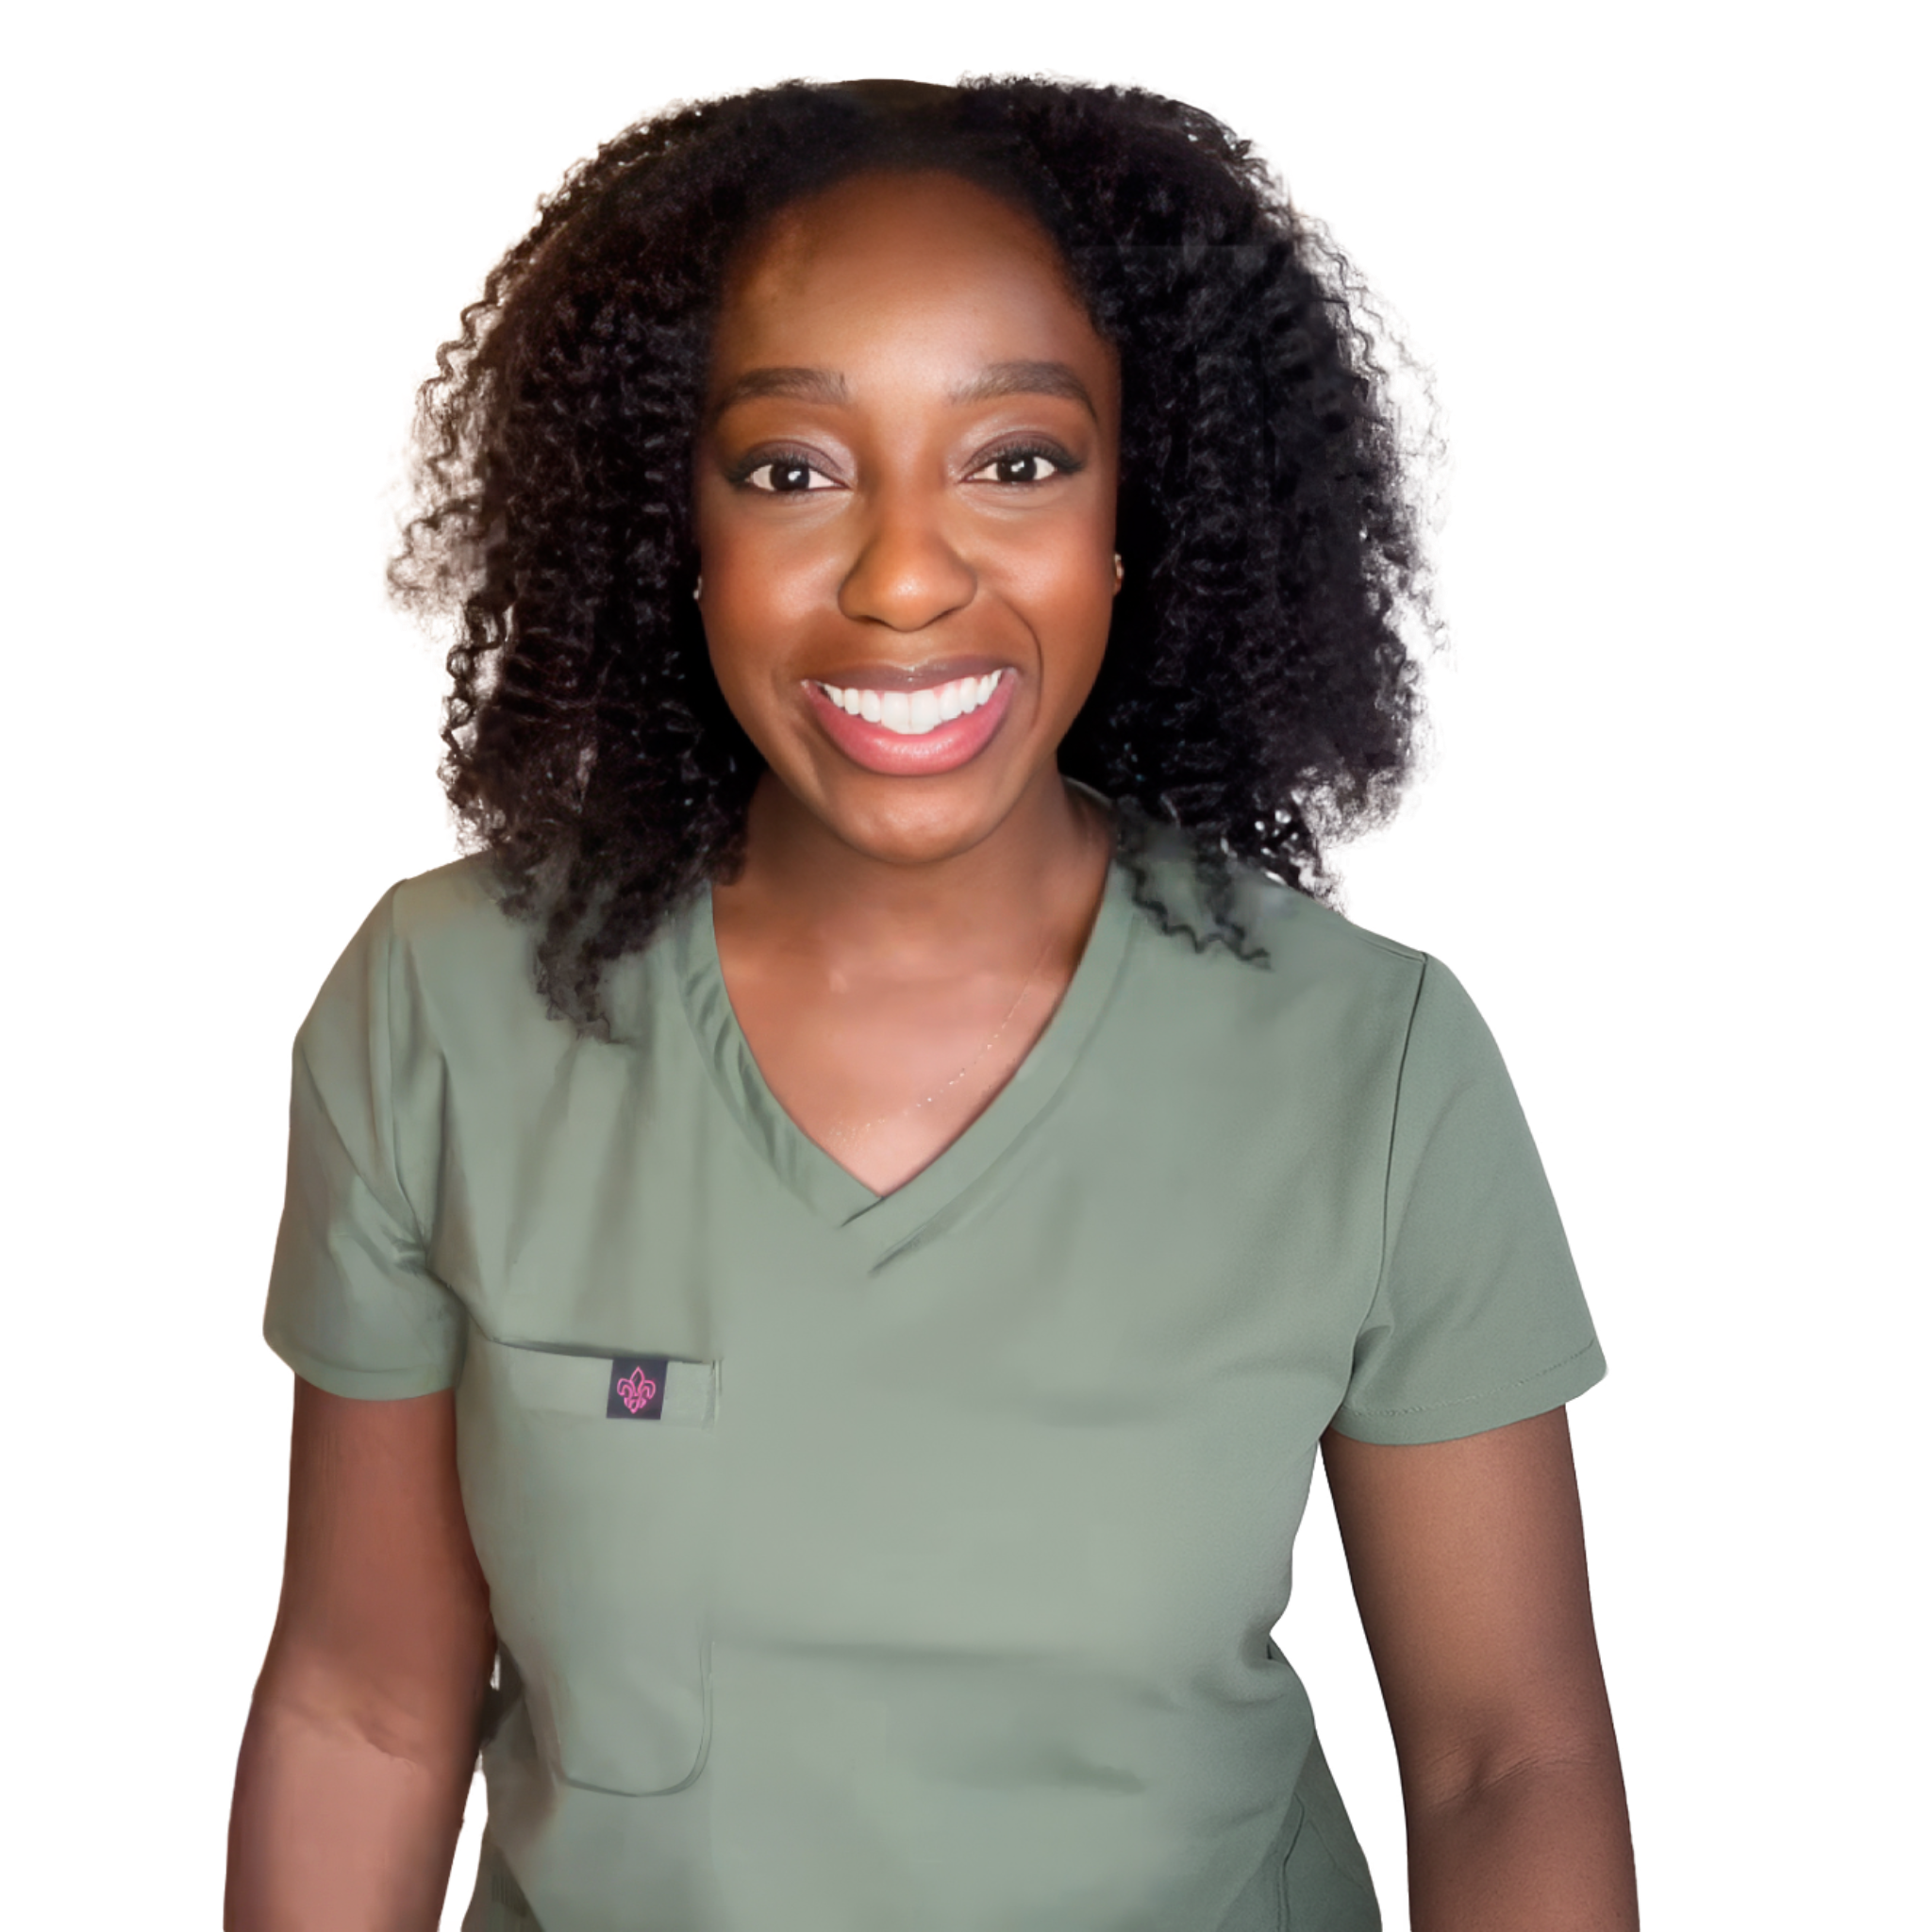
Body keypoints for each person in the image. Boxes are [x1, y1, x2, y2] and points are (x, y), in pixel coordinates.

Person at [225, 73, 1639, 1931]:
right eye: (791, 469)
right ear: (673, 519)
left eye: (1019, 459)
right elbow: (363, 1707)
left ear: (1141, 509)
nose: (902, 577)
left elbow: (1505, 1762)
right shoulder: (441, 1014)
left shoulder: (1371, 1063)